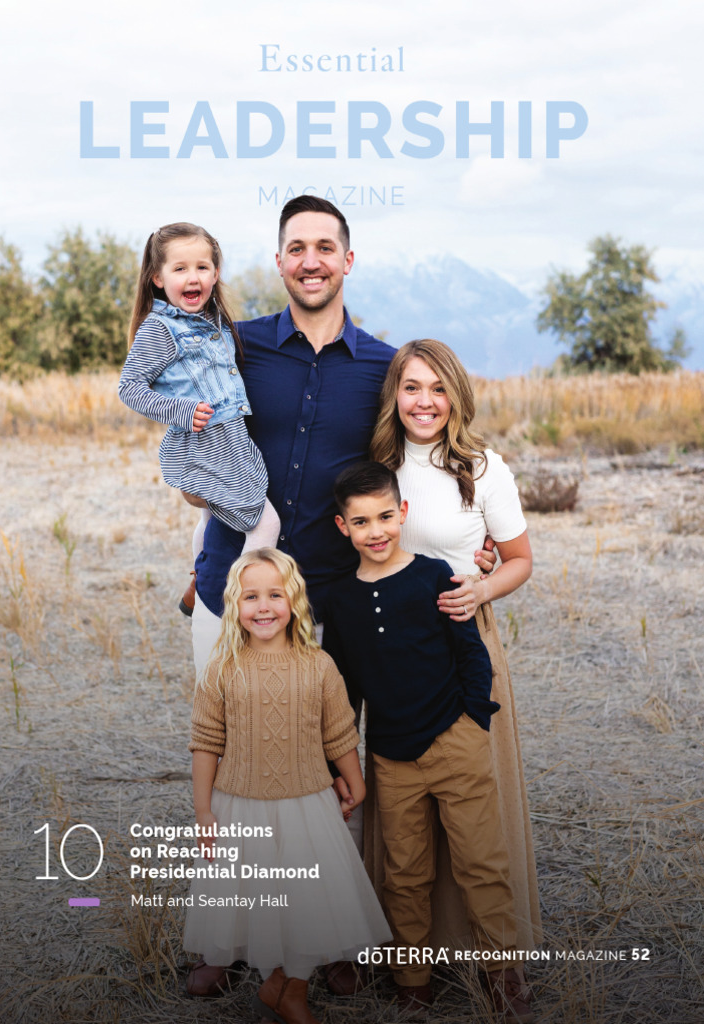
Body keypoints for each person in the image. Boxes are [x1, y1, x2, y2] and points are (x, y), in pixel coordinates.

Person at [184, 198, 497, 998]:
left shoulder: (382, 366)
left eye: (327, 246)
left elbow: (416, 460)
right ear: (280, 259)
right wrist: (206, 535)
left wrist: (469, 535)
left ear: (348, 260)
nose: (312, 259)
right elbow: (191, 442)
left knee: (335, 756)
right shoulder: (239, 345)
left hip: (335, 595)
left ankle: (335, 936)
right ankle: (223, 938)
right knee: (235, 752)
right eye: (297, 247)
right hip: (235, 575)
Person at [323, 461, 534, 1024]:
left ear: (404, 514)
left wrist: (473, 721)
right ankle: (412, 981)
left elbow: (471, 653)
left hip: (455, 743)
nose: (377, 531)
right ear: (343, 527)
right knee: (405, 871)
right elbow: (344, 686)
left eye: (387, 516)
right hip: (391, 756)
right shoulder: (341, 601)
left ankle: (503, 974)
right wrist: (343, 758)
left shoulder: (434, 576)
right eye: (362, 521)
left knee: (480, 861)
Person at [182, 548, 391, 1024]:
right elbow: (205, 742)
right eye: (251, 596)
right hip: (241, 807)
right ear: (235, 605)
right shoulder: (222, 668)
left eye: (275, 595)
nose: (264, 606)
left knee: (309, 901)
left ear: (294, 601)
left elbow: (339, 733)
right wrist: (203, 812)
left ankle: (290, 987)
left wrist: (354, 783)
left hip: (308, 804)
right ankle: (277, 983)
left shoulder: (318, 666)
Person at [119, 223, 280, 574]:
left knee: (210, 519)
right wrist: (180, 410)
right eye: (180, 269)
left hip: (231, 437)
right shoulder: (160, 329)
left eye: (202, 267)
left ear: (216, 273)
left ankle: (200, 577)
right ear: (157, 278)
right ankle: (246, 594)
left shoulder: (214, 321)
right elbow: (129, 386)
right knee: (265, 523)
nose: (193, 277)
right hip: (207, 441)